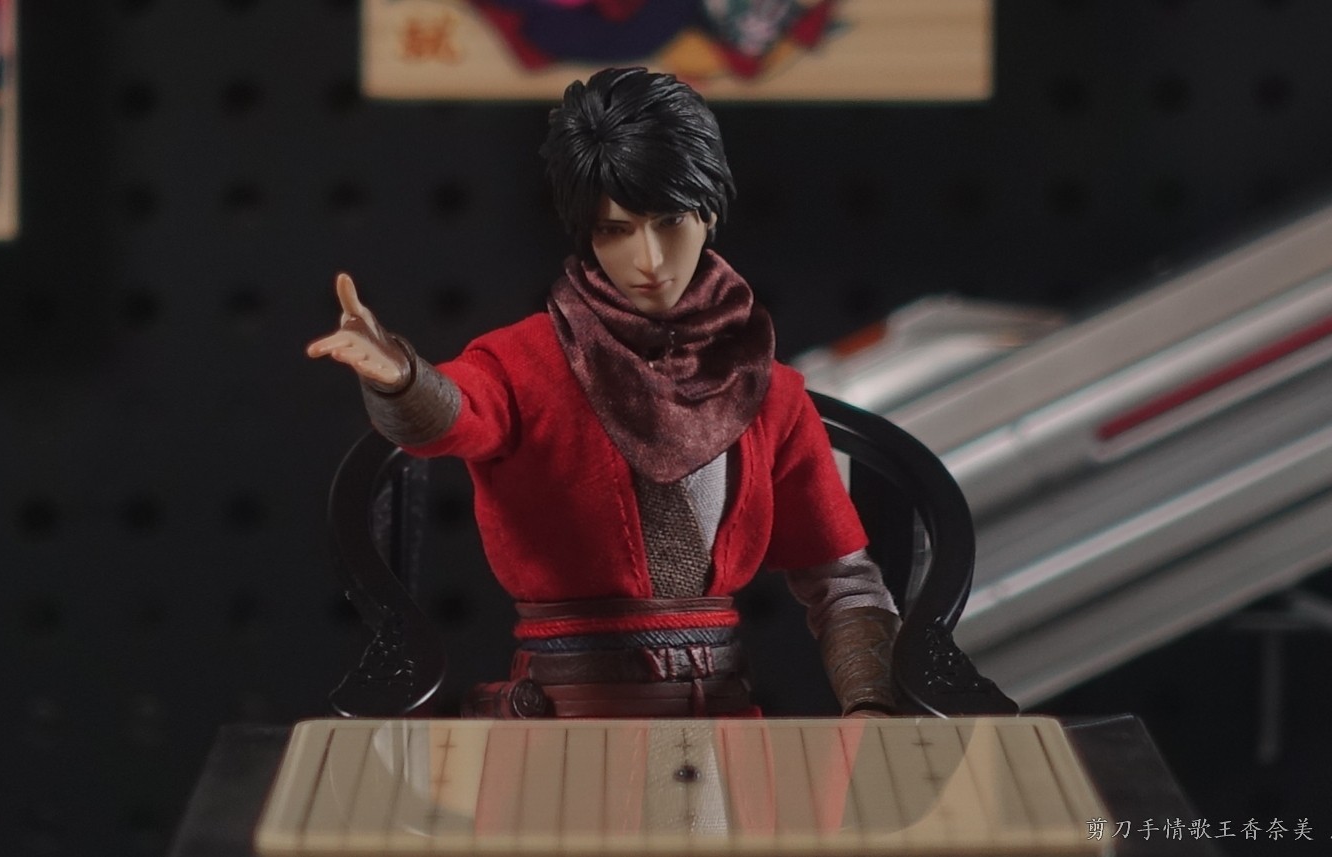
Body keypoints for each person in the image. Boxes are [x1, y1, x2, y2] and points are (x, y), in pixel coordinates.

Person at [307, 67, 899, 719]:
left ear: (707, 212)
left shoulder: (766, 388)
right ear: (587, 233)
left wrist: (872, 706)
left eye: (669, 221)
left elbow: (842, 581)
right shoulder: (523, 363)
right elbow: (457, 413)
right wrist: (399, 376)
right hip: (567, 716)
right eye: (615, 230)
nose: (648, 259)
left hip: (720, 716)